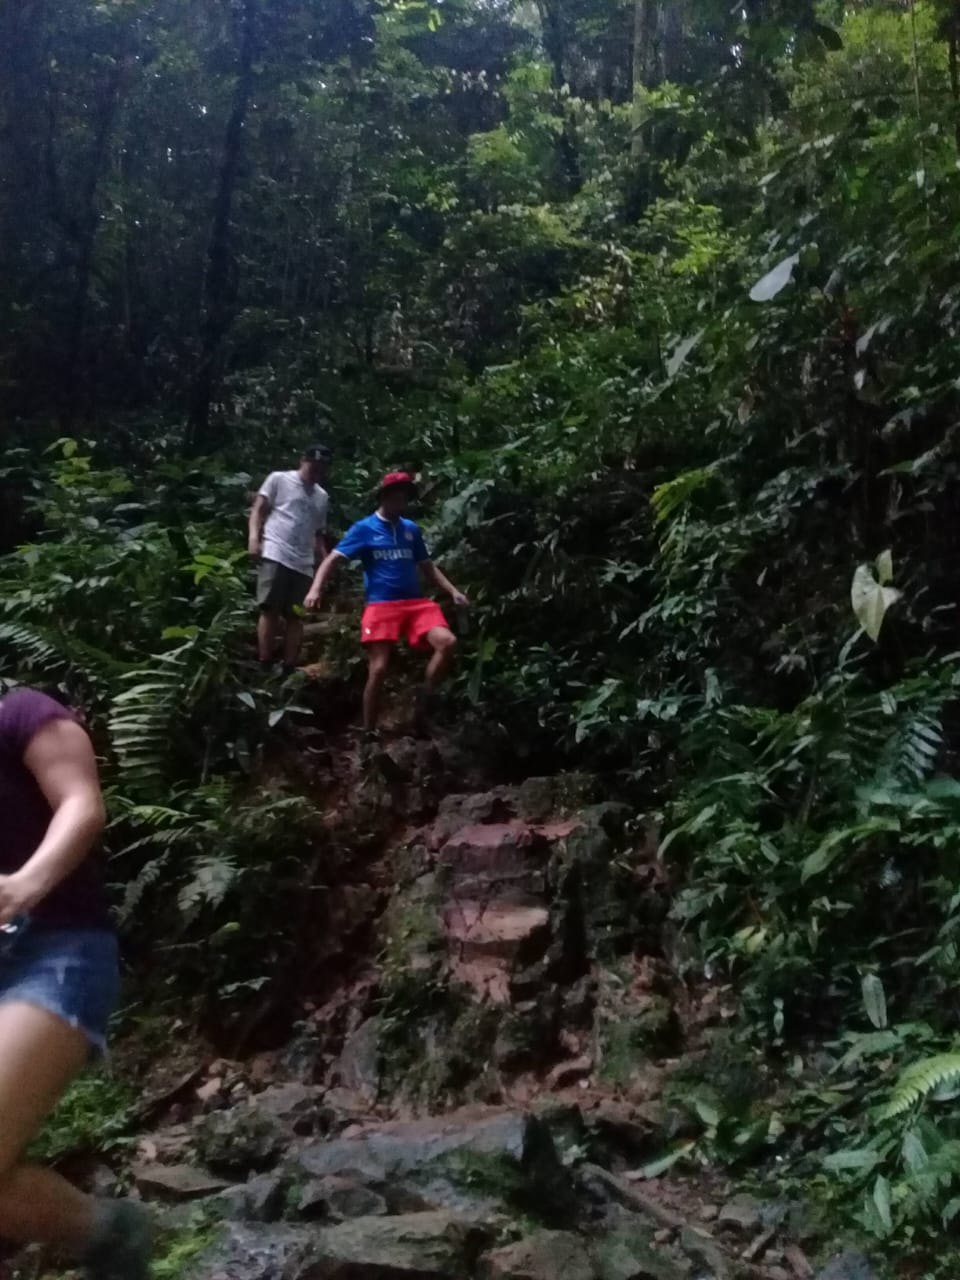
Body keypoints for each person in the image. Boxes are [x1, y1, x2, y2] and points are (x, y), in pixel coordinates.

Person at [0, 686, 151, 1279]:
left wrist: (25, 883)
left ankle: (109, 1233)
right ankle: (107, 1233)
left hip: (56, 952)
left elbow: (81, 805)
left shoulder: (21, 714)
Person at [304, 472, 468, 734]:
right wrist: (315, 589)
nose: (400, 503)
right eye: (396, 497)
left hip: (415, 604)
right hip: (381, 605)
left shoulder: (410, 529)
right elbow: (332, 559)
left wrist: (453, 591)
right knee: (379, 668)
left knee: (447, 642)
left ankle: (424, 701)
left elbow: (427, 565)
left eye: (404, 498)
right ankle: (369, 730)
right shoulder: (364, 528)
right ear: (384, 497)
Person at [248, 444, 332, 673]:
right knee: (270, 608)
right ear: (303, 461)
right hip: (276, 550)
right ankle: (265, 661)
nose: (316, 472)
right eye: (313, 466)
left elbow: (318, 533)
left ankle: (289, 665)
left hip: (303, 561)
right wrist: (254, 538)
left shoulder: (322, 496)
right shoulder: (279, 479)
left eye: (321, 469)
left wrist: (325, 560)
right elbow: (259, 509)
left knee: (296, 615)